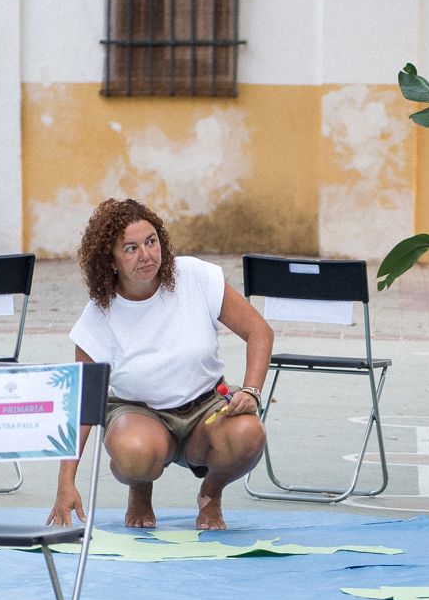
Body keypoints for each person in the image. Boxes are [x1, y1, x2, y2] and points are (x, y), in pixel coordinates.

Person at [51, 199, 272, 532]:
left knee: (249, 434)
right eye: (130, 248)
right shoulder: (98, 316)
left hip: (207, 410)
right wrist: (65, 482)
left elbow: (259, 331)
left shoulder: (195, 276)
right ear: (109, 260)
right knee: (135, 453)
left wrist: (252, 391)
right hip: (139, 414)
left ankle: (210, 494)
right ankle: (140, 488)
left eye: (151, 241)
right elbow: (81, 401)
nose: (146, 255)